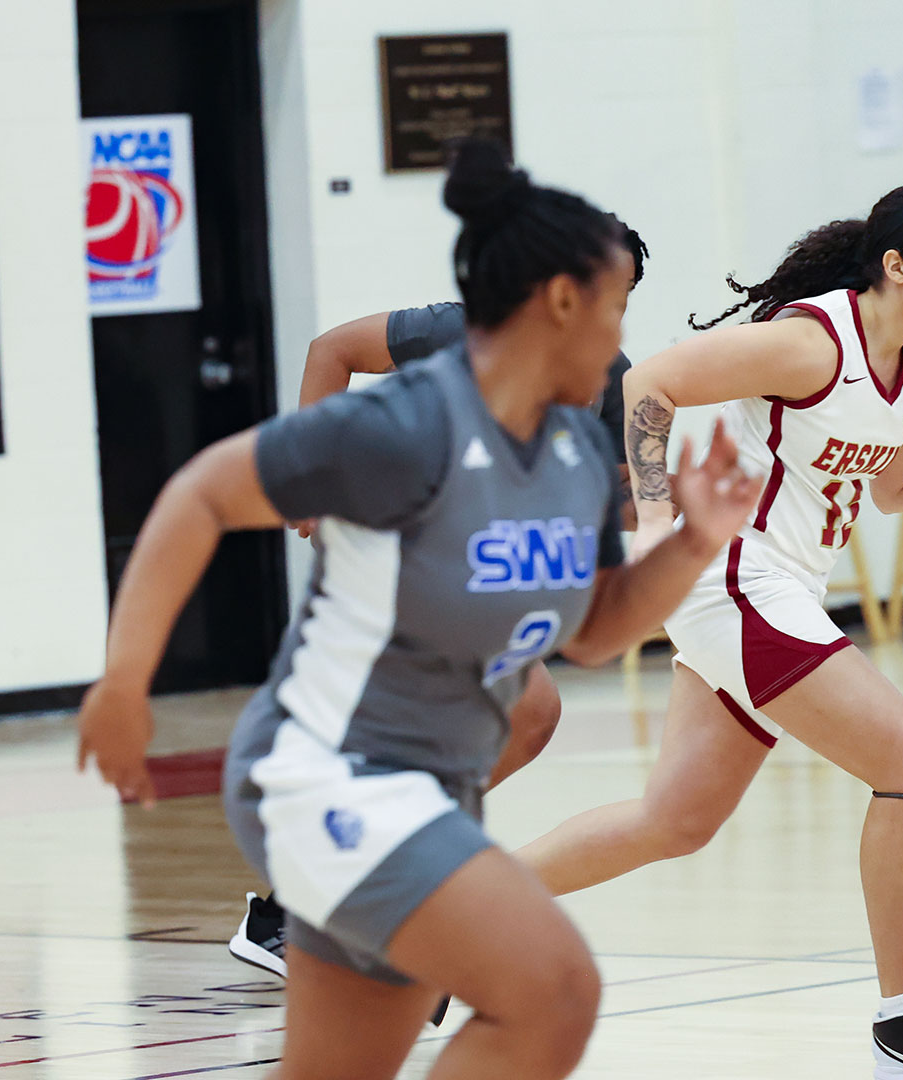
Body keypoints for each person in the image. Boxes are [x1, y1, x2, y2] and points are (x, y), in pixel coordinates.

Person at [76, 139, 762, 1080]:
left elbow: (598, 633)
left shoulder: (571, 447)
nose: (623, 339)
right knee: (554, 992)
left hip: (427, 787)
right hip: (328, 776)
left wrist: (691, 542)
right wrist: (124, 684)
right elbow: (199, 495)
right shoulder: (409, 426)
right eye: (613, 307)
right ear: (561, 303)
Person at [512, 182, 903, 1080]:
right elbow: (650, 383)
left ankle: (446, 925)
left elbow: (900, 489)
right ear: (895, 266)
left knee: (673, 820)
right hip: (735, 578)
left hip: (778, 589)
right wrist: (645, 518)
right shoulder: (811, 341)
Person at [228, 223, 653, 982]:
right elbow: (333, 349)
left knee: (510, 723)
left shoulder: (610, 378)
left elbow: (621, 505)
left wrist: (667, 498)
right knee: (517, 714)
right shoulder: (462, 332)